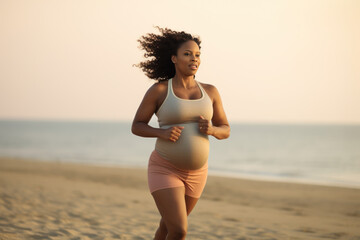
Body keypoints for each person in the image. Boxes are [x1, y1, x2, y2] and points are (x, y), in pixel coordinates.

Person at [131, 26, 230, 240]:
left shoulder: (210, 91)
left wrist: (212, 130)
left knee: (167, 227)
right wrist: (162, 133)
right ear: (174, 58)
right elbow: (137, 125)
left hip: (197, 173)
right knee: (179, 230)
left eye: (197, 55)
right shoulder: (159, 91)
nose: (194, 59)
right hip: (165, 168)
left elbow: (226, 129)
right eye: (187, 54)